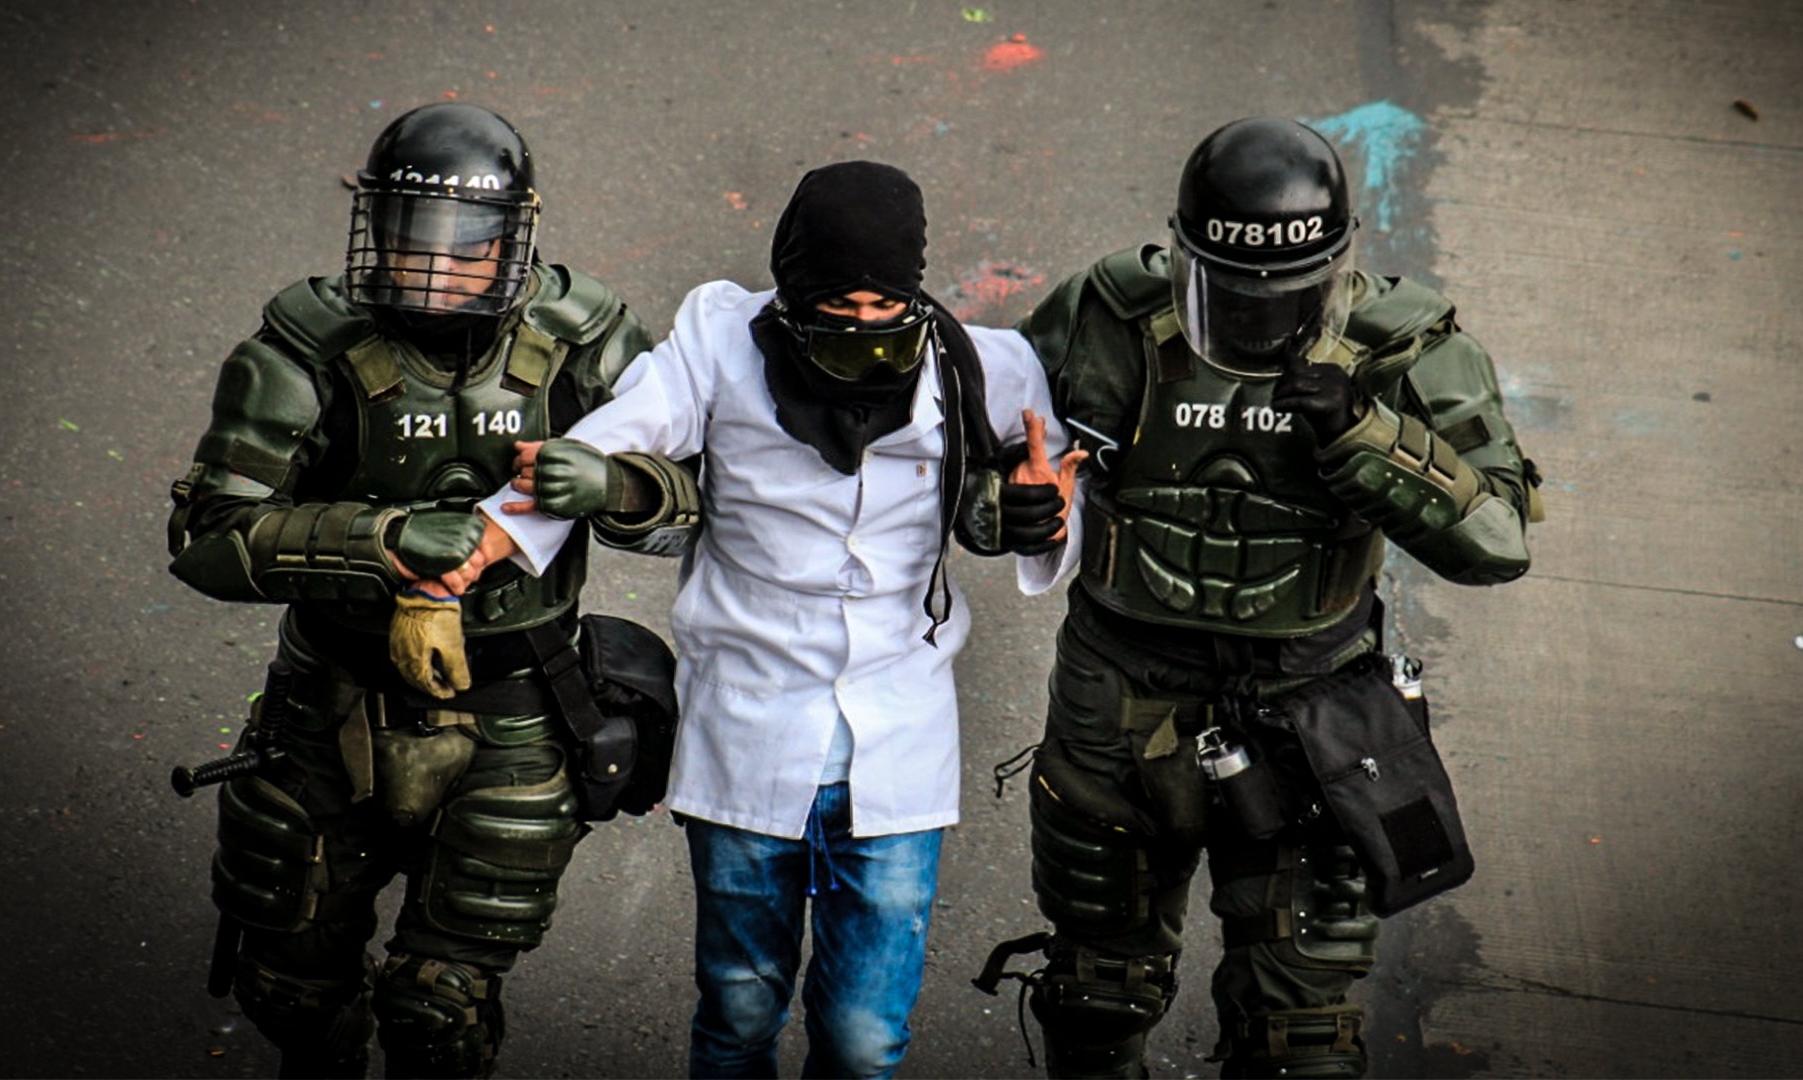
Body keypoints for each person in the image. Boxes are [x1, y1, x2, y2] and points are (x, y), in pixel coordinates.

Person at [457, 160, 1086, 1079]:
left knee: (864, 1040)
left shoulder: (984, 367)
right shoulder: (719, 340)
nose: (863, 325)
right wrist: (480, 546)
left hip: (899, 732)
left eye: (884, 305)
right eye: (837, 305)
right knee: (739, 1010)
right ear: (792, 290)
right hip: (747, 726)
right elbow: (619, 433)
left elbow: (1056, 488)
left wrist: (1041, 516)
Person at [980, 117, 1543, 1078]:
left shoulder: (1402, 344)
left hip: (1312, 700)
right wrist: (1010, 507)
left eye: (1283, 293)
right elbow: (968, 463)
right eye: (1230, 290)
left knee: (1301, 1032)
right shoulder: (1105, 315)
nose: (1255, 316)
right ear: (1184, 252)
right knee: (1098, 990)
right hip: (1123, 693)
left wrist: (1366, 435)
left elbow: (1496, 543)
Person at [164, 102, 697, 1078]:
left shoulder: (583, 339)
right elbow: (207, 537)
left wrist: (619, 486)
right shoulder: (307, 349)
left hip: (515, 708)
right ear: (376, 229)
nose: (436, 269)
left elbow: (698, 507)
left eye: (468, 245)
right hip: (330, 702)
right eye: (414, 241)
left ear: (512, 241)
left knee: (438, 1010)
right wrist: (385, 540)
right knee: (289, 991)